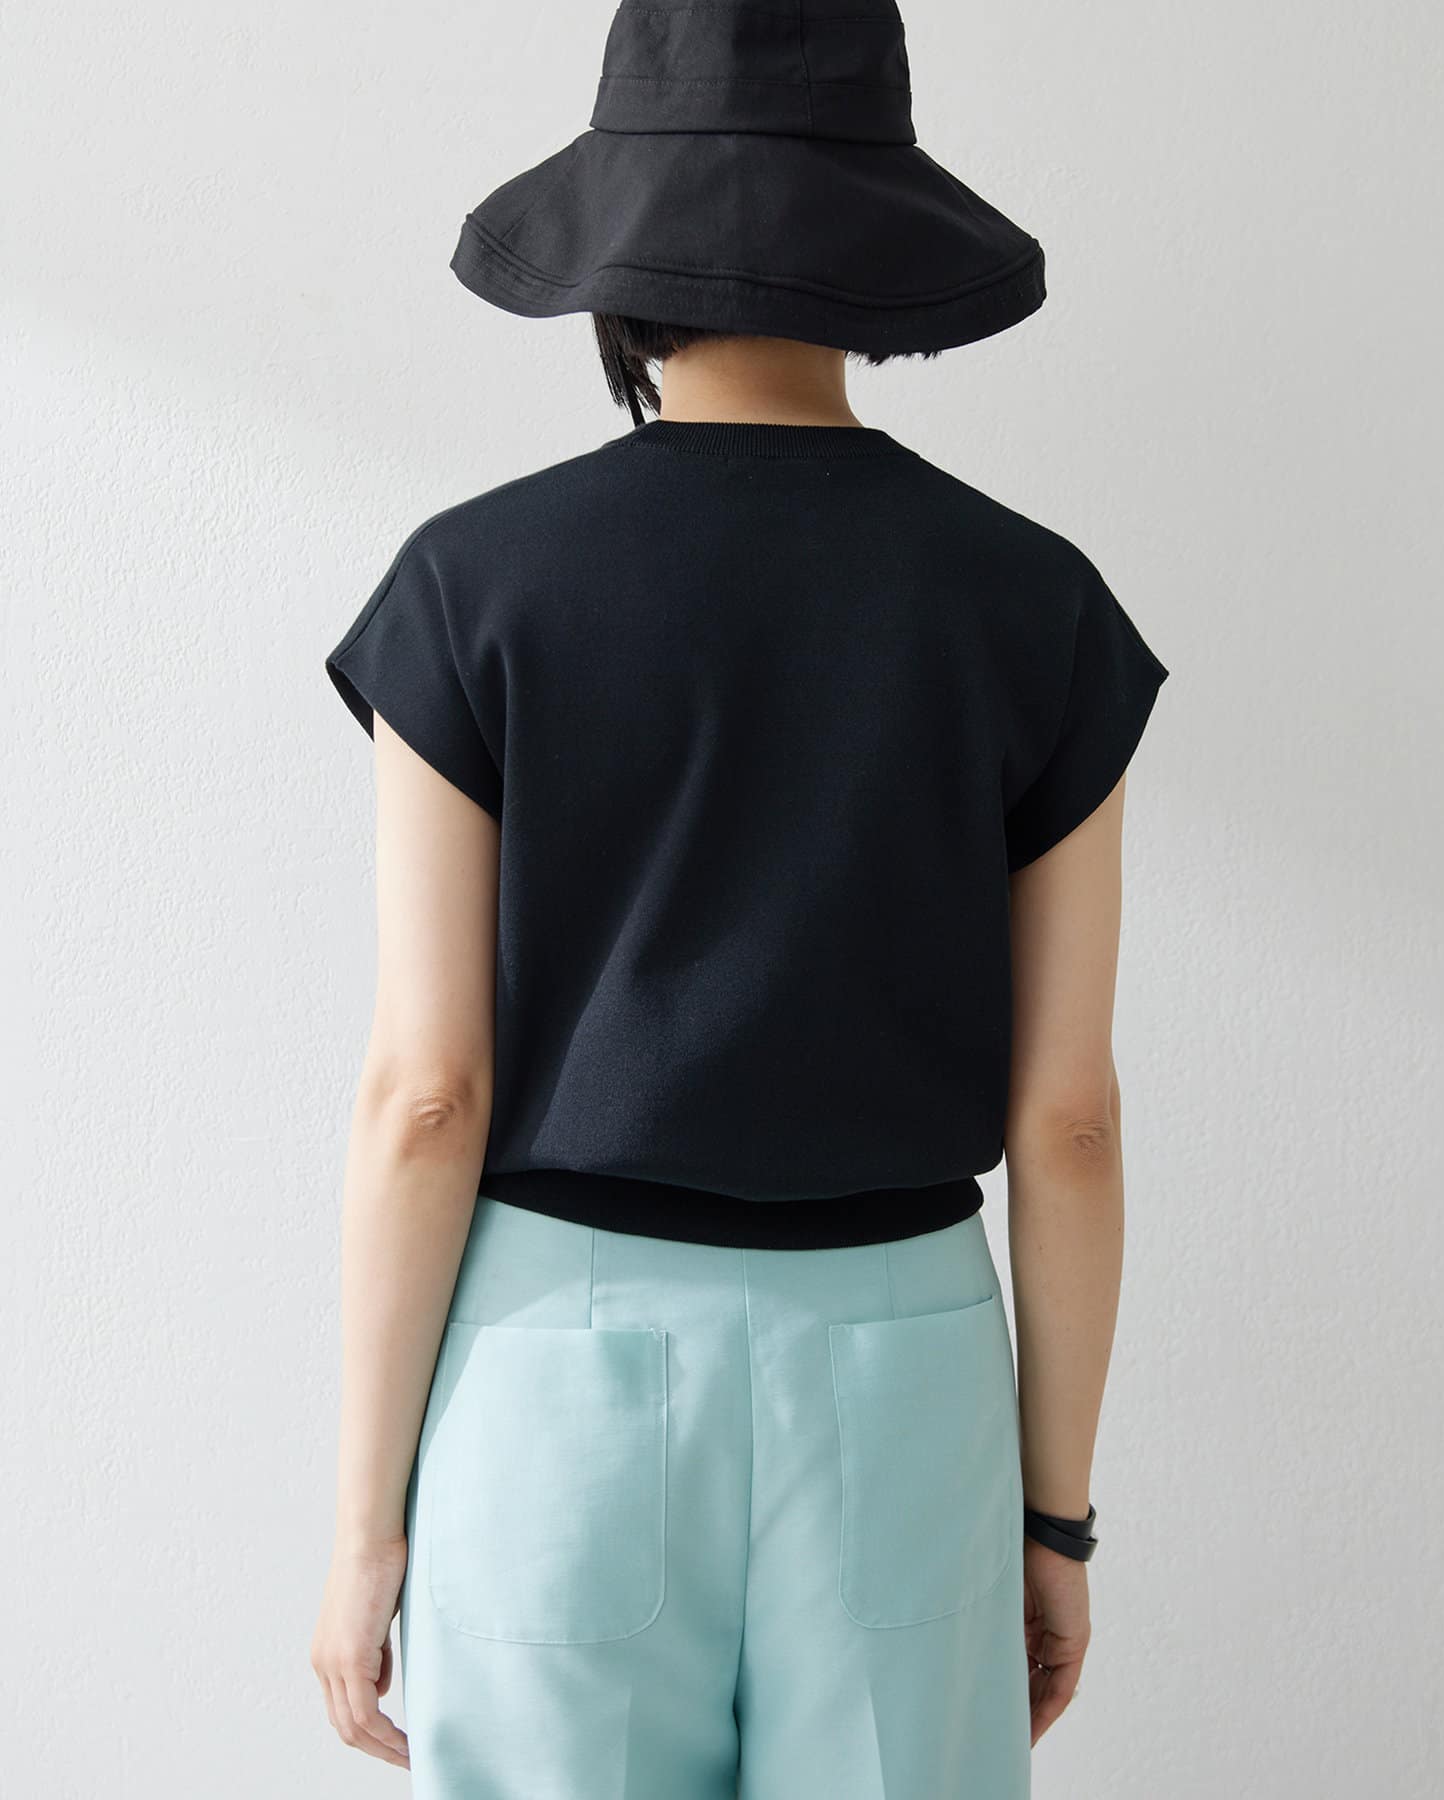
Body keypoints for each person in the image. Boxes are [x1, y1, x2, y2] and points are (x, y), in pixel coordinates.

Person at [309, 3, 1170, 1795]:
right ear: (880, 252)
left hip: (557, 1364)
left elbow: (427, 1096)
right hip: (903, 1362)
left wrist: (366, 1525)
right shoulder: (1035, 605)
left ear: (613, 265)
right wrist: (1054, 1520)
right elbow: (1070, 1121)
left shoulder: (472, 587)